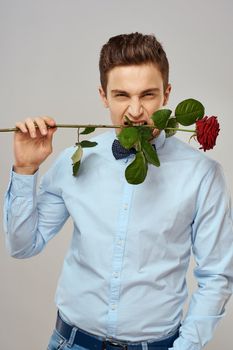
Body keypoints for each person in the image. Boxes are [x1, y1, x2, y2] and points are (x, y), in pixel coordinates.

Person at [3, 32, 233, 350]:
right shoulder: (76, 158)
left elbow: (217, 276)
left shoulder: (202, 175)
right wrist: (25, 170)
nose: (135, 111)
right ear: (103, 95)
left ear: (167, 94)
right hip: (70, 343)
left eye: (148, 95)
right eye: (122, 95)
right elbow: (22, 245)